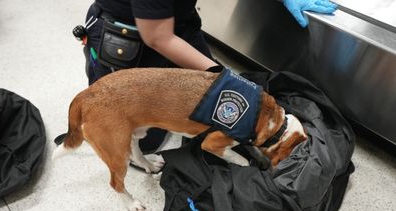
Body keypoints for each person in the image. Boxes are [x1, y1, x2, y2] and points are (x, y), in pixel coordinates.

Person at [80, 0, 337, 155]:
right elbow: (158, 36)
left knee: (216, 116)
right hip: (131, 34)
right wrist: (220, 75)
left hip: (180, 21)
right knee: (140, 142)